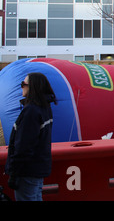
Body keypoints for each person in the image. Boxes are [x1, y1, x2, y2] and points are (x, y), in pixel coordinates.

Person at [5, 73, 57, 201]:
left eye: (23, 84)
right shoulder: (45, 108)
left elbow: (24, 145)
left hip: (26, 171)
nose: (21, 87)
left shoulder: (31, 111)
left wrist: (15, 174)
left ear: (32, 87)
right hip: (37, 169)